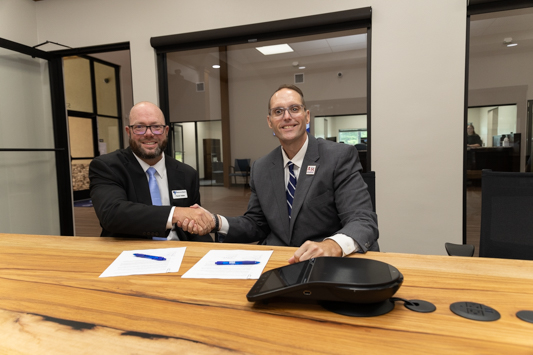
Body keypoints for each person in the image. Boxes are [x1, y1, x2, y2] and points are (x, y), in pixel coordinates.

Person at [183, 85, 379, 263]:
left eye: (294, 109)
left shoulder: (338, 157)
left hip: (324, 263)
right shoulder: (261, 167)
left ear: (307, 116)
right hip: (277, 260)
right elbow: (256, 223)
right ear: (270, 122)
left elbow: (362, 221)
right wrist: (216, 221)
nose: (287, 117)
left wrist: (332, 246)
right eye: (278, 112)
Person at [89, 101, 214, 241]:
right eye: (139, 127)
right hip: (130, 254)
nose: (149, 134)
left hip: (180, 251)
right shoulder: (108, 167)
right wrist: (176, 213)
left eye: (156, 127)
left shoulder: (187, 173)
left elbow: (194, 228)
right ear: (128, 131)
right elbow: (112, 215)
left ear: (166, 131)